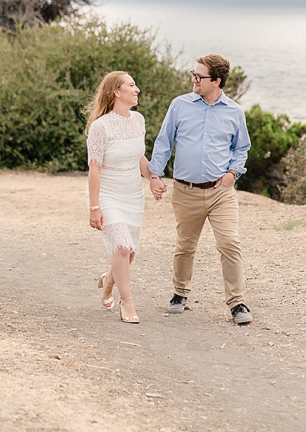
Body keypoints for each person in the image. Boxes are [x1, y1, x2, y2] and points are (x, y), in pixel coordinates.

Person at [148, 54, 253, 325]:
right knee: (185, 245)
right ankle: (180, 293)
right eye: (193, 75)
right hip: (186, 190)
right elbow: (164, 142)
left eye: (199, 76)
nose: (194, 80)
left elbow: (241, 148)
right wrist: (155, 175)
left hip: (221, 192)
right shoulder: (179, 105)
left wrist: (233, 173)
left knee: (230, 242)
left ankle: (237, 301)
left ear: (216, 81)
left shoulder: (234, 112)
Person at [84, 71, 155, 324]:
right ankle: (127, 302)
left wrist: (153, 178)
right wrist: (95, 207)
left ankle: (108, 281)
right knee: (123, 247)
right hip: (107, 194)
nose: (137, 89)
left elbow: (138, 157)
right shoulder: (100, 127)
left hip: (133, 195)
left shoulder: (139, 120)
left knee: (129, 253)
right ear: (116, 92)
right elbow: (95, 167)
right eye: (132, 85)